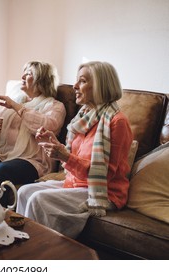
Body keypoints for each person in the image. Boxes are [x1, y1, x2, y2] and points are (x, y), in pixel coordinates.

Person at [16, 61, 133, 238]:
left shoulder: (117, 122)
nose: (75, 86)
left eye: (83, 81)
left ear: (100, 86)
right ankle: (22, 243)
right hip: (77, 183)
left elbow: (106, 174)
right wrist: (56, 144)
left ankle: (40, 252)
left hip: (103, 191)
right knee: (24, 191)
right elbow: (75, 156)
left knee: (38, 199)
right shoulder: (85, 116)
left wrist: (65, 157)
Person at [0, 61, 66, 206]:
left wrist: (17, 107)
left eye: (28, 74)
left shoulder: (55, 106)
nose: (22, 76)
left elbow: (48, 126)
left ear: (42, 79)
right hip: (1, 152)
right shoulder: (16, 101)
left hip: (31, 159)